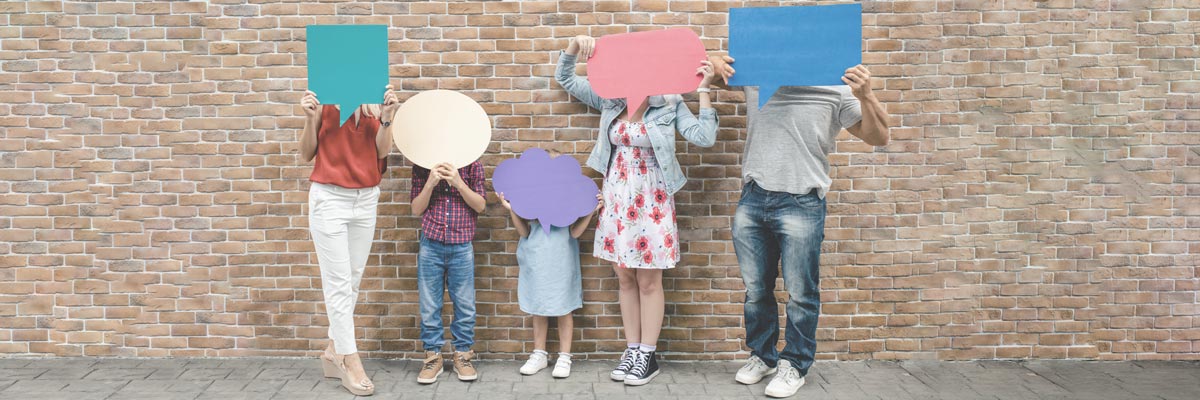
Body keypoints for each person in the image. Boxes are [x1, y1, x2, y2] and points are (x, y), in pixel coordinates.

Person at [706, 54, 892, 398]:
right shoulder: (757, 75)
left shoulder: (836, 87)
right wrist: (716, 62)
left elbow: (878, 136)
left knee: (802, 294)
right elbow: (707, 74)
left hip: (802, 202)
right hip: (753, 197)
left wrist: (867, 95)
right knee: (756, 290)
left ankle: (795, 364)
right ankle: (763, 356)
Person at [555, 34, 719, 386]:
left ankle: (648, 353)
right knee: (624, 276)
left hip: (653, 200)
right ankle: (631, 349)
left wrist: (704, 90)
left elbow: (704, 137)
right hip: (617, 197)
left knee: (649, 279)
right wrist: (573, 47)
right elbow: (566, 79)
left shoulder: (669, 103)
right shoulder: (611, 98)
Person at [301, 85, 399, 396]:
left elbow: (382, 152)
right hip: (329, 198)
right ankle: (348, 358)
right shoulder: (324, 98)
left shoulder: (375, 101)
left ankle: (333, 349)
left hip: (366, 198)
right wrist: (309, 118)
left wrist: (387, 118)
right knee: (339, 282)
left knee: (353, 279)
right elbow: (305, 154)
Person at [498, 166, 602, 379]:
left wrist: (591, 210)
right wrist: (511, 208)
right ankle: (539, 354)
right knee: (539, 307)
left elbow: (575, 234)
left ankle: (565, 356)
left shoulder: (566, 205)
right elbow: (523, 232)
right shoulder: (532, 205)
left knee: (564, 308)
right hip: (536, 258)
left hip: (562, 259)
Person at [410, 157, 486, 384]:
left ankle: (463, 354)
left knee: (465, 304)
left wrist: (459, 183)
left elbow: (481, 205)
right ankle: (433, 357)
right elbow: (416, 209)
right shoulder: (422, 165)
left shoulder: (473, 164)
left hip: (461, 245)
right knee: (429, 304)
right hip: (431, 244)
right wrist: (430, 183)